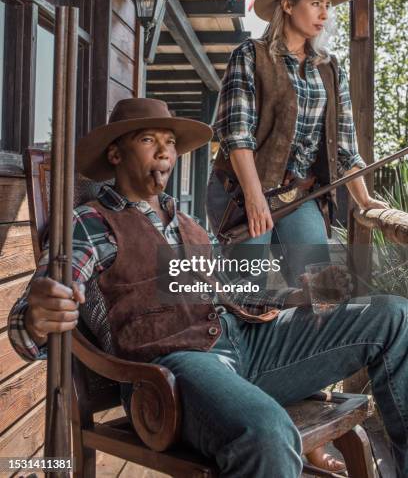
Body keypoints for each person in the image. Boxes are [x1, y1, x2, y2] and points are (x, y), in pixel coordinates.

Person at [8, 98, 408, 478]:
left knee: (394, 316)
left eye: (169, 143)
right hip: (173, 368)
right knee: (267, 433)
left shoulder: (189, 225)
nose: (165, 152)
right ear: (116, 155)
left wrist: (292, 296)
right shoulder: (91, 222)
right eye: (148, 140)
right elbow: (32, 322)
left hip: (246, 344)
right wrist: (39, 317)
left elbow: (227, 295)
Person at [206, 0, 388, 471]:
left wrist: (367, 201)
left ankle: (311, 431)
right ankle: (248, 417)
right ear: (286, 4)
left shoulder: (329, 67)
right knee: (251, 298)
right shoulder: (252, 55)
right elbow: (236, 135)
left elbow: (346, 147)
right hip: (243, 195)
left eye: (329, 5)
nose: (325, 13)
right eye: (316, 2)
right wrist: (256, 197)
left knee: (327, 296)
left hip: (301, 196)